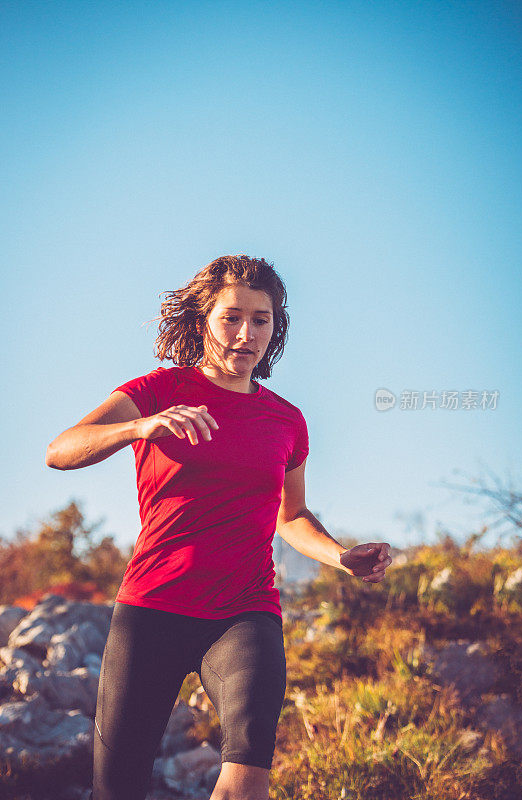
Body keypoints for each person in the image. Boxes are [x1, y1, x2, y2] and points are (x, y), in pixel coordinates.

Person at [45, 254, 392, 800]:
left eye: (261, 320)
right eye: (232, 317)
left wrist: (341, 557)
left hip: (244, 609)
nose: (246, 333)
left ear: (275, 329)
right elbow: (60, 451)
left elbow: (292, 515)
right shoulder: (160, 389)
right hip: (152, 608)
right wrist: (140, 426)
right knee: (117, 788)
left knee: (246, 781)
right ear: (203, 319)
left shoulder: (287, 421)